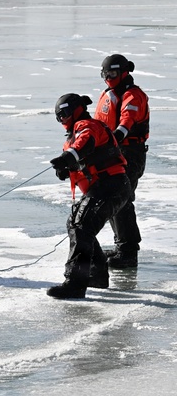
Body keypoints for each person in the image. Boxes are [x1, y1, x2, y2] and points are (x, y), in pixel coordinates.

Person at [47, 94, 134, 300]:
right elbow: (79, 159)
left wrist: (69, 157)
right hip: (103, 187)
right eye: (59, 117)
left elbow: (86, 142)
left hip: (112, 185)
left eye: (65, 114)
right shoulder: (72, 138)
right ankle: (97, 274)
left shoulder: (87, 126)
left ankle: (75, 284)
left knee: (82, 225)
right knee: (75, 223)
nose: (62, 120)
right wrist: (66, 169)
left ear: (76, 111)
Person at [93, 54, 150, 269]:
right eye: (105, 74)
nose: (108, 77)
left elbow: (127, 119)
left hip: (130, 154)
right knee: (111, 197)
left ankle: (128, 252)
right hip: (112, 153)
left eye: (113, 73)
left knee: (122, 199)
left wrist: (116, 136)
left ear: (124, 72)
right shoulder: (109, 95)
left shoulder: (133, 96)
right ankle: (121, 247)